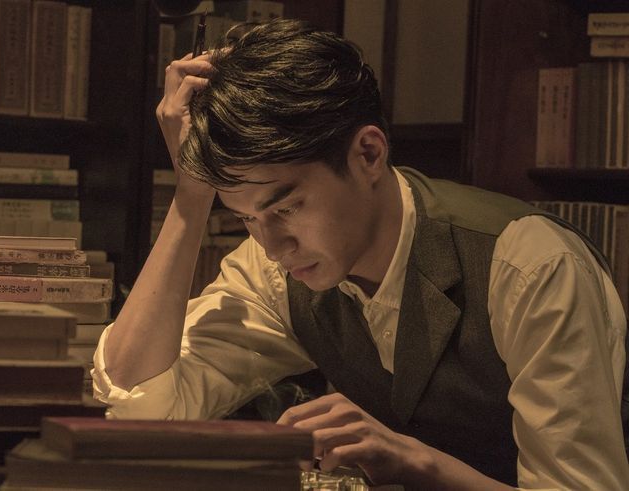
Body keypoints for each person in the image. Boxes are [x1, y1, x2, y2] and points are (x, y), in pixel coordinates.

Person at [92, 19, 629, 490]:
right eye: (245, 218)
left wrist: (418, 463)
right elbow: (141, 406)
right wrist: (191, 197)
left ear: (368, 153)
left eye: (286, 208)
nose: (273, 245)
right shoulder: (277, 273)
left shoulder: (528, 267)